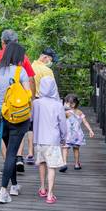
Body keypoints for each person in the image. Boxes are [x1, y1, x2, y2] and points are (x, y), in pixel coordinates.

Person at [0, 30, 35, 172]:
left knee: (4, 134)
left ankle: (8, 164)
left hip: (2, 104)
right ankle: (18, 157)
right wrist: (31, 99)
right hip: (20, 103)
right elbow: (30, 78)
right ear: (16, 42)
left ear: (2, 41)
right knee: (19, 129)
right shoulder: (22, 57)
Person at [0, 41, 31, 203]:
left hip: (1, 117)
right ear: (18, 56)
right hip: (18, 118)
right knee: (12, 153)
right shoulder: (21, 72)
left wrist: (2, 98)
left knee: (9, 152)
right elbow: (28, 94)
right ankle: (3, 191)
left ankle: (15, 185)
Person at [32, 75, 68, 204]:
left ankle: (42, 188)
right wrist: (64, 137)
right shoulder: (58, 105)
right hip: (53, 140)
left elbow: (31, 119)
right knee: (51, 166)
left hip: (39, 139)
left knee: (42, 163)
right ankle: (50, 194)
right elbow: (63, 124)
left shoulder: (35, 103)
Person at [25, 48, 57, 165]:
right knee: (44, 127)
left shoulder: (30, 67)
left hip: (30, 101)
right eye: (50, 59)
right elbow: (53, 90)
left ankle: (30, 153)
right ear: (45, 57)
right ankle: (43, 154)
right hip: (44, 101)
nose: (50, 62)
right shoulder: (47, 71)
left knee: (31, 127)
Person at [62, 94, 95, 172]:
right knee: (76, 149)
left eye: (66, 102)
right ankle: (76, 164)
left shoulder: (66, 113)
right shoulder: (79, 112)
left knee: (65, 148)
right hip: (77, 134)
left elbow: (60, 121)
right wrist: (90, 130)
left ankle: (64, 163)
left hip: (68, 134)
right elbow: (85, 122)